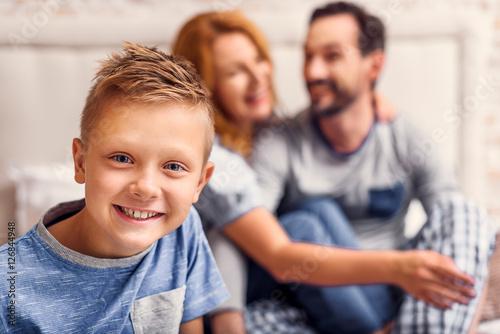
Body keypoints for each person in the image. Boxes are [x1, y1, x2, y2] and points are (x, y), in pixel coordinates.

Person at [172, 10, 480, 334]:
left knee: (322, 211)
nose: (258, 77)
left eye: (259, 59)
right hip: (229, 290)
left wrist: (364, 95)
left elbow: (452, 222)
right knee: (305, 219)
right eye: (235, 72)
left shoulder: (270, 133)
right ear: (207, 88)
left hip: (330, 287)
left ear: (373, 65)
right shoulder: (223, 159)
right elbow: (237, 238)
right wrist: (227, 321)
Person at [249, 2, 498, 333]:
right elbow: (251, 233)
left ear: (374, 65)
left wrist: (466, 315)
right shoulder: (279, 145)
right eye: (308, 56)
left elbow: (462, 241)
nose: (313, 72)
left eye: (332, 55)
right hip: (316, 299)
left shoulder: (406, 137)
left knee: (464, 212)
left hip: (402, 290)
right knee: (302, 224)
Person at [0, 42, 229, 333]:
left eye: (173, 166)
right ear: (81, 163)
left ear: (199, 183)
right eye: (122, 158)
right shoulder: (10, 286)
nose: (146, 188)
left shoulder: (183, 232)